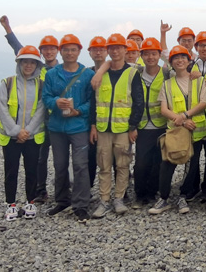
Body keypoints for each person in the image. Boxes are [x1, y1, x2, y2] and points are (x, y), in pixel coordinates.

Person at [0, 15, 58, 204]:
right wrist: (8, 29)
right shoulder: (34, 66)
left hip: (54, 120)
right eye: (45, 49)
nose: (49, 51)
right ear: (41, 52)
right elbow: (19, 49)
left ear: (57, 51)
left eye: (52, 48)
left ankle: (61, 191)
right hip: (36, 123)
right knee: (39, 158)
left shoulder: (62, 70)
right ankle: (39, 191)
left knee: (57, 159)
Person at [150, 45, 206, 215]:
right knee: (168, 163)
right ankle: (164, 198)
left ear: (189, 61)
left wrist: (184, 115)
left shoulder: (199, 80)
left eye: (183, 57)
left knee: (191, 166)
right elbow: (164, 109)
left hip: (196, 132)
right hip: (176, 132)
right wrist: (182, 121)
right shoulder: (167, 84)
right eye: (176, 58)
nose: (180, 60)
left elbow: (204, 103)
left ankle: (183, 196)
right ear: (171, 63)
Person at [90, 33, 144, 218]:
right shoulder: (100, 74)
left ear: (125, 50)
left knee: (123, 165)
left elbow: (138, 102)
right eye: (111, 48)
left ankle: (119, 199)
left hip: (123, 129)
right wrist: (93, 125)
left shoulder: (132, 73)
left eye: (118, 47)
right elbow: (93, 101)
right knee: (104, 166)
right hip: (103, 129)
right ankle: (104, 200)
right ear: (108, 50)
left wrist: (133, 126)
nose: (115, 51)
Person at [42, 34, 95, 223]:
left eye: (73, 50)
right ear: (60, 51)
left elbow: (92, 101)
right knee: (60, 165)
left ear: (79, 51)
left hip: (79, 126)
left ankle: (81, 204)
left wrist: (78, 111)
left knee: (80, 165)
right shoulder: (51, 74)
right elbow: (46, 97)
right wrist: (56, 102)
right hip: (57, 127)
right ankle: (62, 200)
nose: (70, 53)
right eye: (66, 50)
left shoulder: (87, 75)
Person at [0, 45, 46, 221]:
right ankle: (10, 203)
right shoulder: (7, 83)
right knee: (11, 170)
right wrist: (17, 131)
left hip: (32, 137)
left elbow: (41, 110)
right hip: (11, 137)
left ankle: (30, 201)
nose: (28, 65)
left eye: (32, 62)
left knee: (32, 170)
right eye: (25, 62)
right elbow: (2, 109)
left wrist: (28, 131)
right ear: (19, 63)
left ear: (37, 65)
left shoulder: (41, 85)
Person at [132, 37, 171, 210]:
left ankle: (152, 193)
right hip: (142, 126)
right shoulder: (136, 73)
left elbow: (183, 72)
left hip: (162, 125)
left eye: (154, 54)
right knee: (141, 162)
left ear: (159, 55)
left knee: (158, 162)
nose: (150, 57)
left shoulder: (167, 74)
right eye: (146, 54)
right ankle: (140, 195)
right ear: (141, 55)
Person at [182, 31, 206, 203]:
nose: (205, 48)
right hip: (195, 114)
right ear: (196, 47)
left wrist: (204, 78)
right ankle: (193, 186)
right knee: (194, 153)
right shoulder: (190, 65)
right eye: (201, 45)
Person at [86, 36, 107, 189]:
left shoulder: (114, 71)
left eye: (101, 49)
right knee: (90, 157)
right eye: (95, 50)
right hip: (91, 121)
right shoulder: (86, 73)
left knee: (114, 158)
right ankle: (87, 189)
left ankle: (121, 191)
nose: (98, 52)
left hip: (110, 122)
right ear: (90, 53)